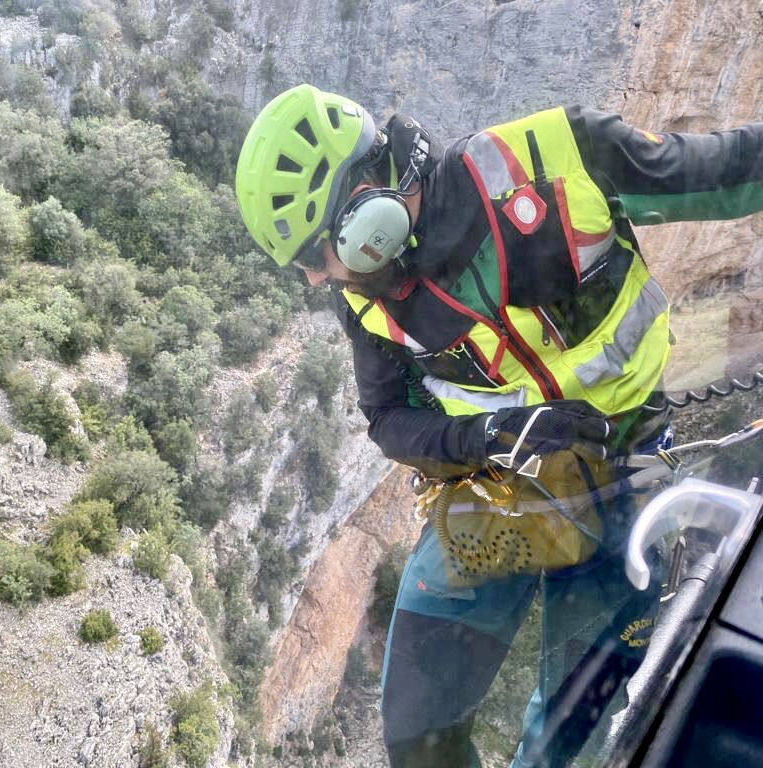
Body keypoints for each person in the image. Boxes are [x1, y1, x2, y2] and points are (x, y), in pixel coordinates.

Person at [234, 83, 763, 767]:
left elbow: (732, 169)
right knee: (417, 739)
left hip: (623, 477)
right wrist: (485, 438)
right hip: (496, 492)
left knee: (569, 736)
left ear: (364, 212)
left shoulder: (558, 159)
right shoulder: (365, 296)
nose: (314, 280)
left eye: (313, 256)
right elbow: (387, 419)